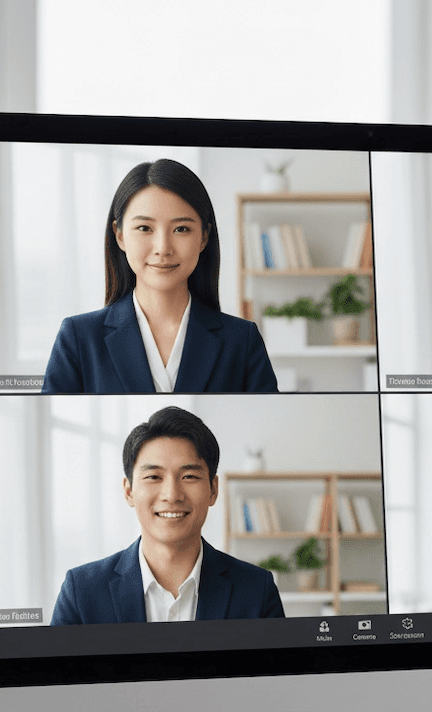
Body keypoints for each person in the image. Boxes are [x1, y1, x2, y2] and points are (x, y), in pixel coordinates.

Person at [43, 159, 278, 394]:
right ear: (120, 235)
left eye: (181, 229)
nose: (163, 248)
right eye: (144, 228)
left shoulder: (242, 341)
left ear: (204, 237)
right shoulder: (78, 338)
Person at [50, 406, 285, 624]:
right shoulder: (81, 592)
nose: (172, 495)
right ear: (129, 491)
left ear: (213, 490)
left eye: (189, 477)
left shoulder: (257, 591)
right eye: (153, 477)